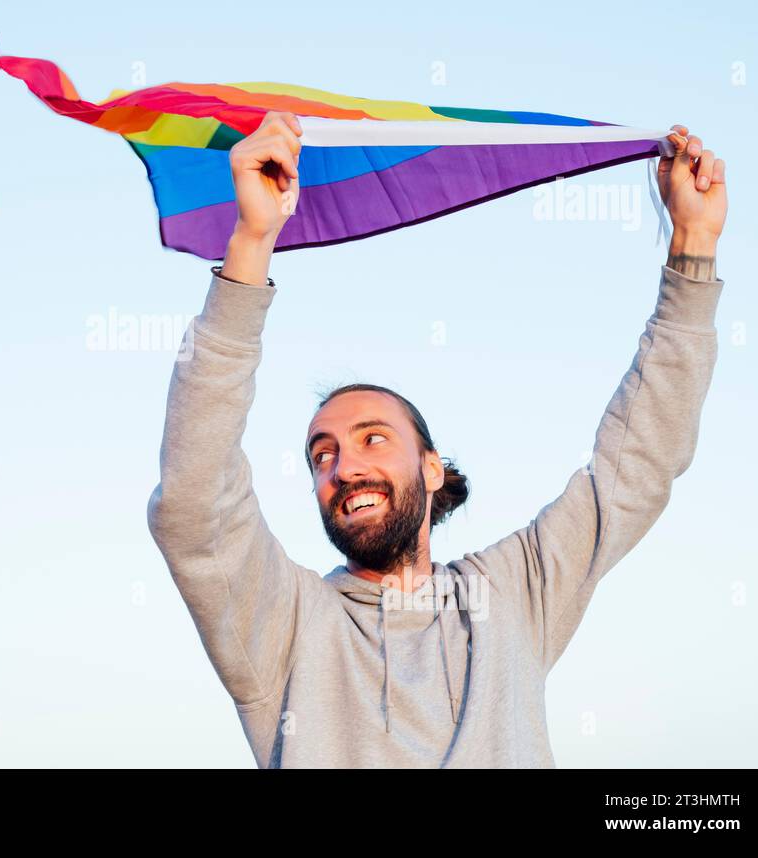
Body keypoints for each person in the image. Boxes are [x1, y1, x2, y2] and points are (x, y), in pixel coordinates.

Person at [145, 111, 726, 768]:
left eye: (371, 439)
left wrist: (694, 248)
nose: (343, 467)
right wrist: (251, 242)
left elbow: (638, 466)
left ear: (430, 469)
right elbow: (195, 502)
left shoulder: (514, 593)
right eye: (322, 455)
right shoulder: (283, 623)